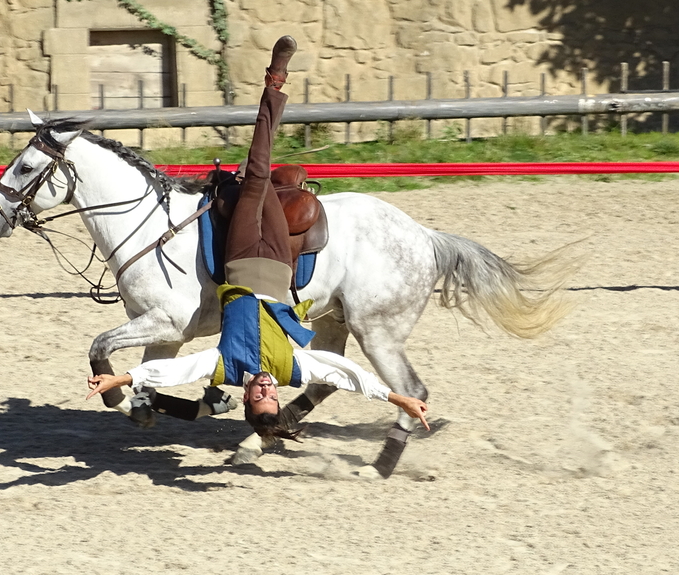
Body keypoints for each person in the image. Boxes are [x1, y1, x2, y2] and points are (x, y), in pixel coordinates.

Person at [87, 36, 429, 438]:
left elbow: (175, 368)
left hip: (243, 258)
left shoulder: (227, 365)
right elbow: (347, 373)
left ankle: (274, 83)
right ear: (277, 396)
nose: (266, 387)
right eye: (271, 395)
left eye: (259, 395)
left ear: (247, 395)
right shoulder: (292, 368)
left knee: (255, 176)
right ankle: (273, 90)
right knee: (261, 175)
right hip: (282, 263)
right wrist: (396, 398)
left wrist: (121, 380)